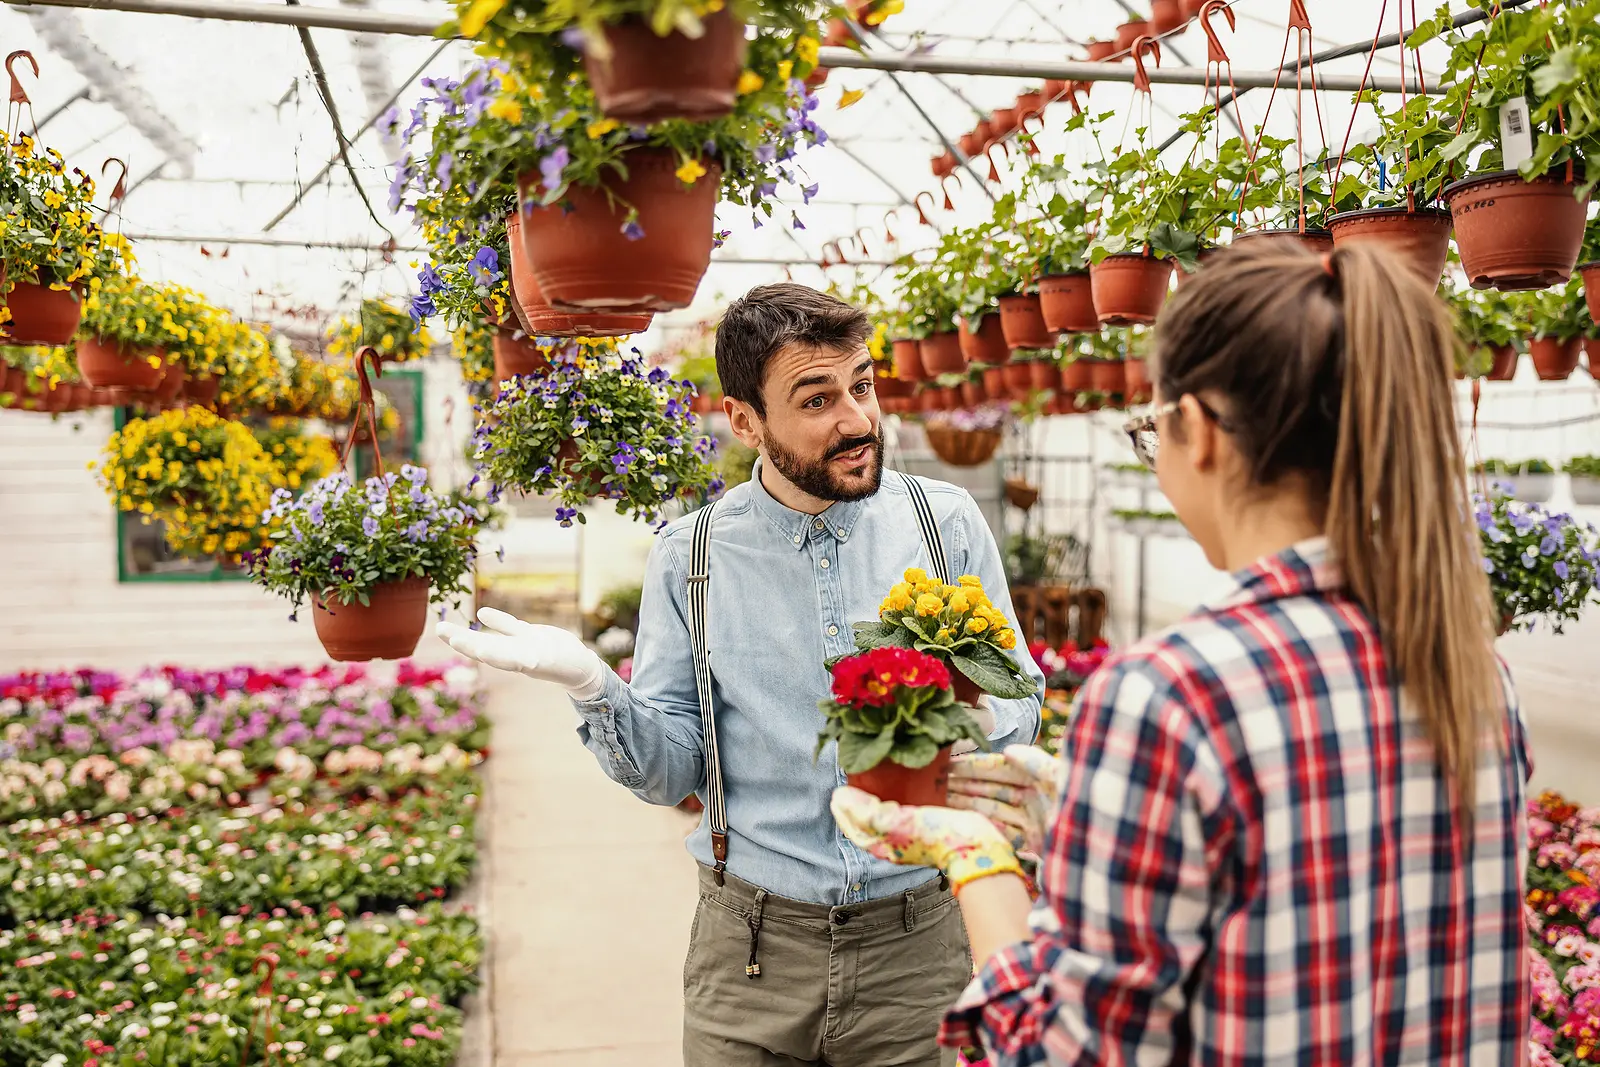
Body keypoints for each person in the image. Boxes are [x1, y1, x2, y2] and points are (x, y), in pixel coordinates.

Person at [831, 243, 1531, 1064]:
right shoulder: (1470, 668)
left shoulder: (1171, 696)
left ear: (1195, 430)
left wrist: (976, 857)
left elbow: (1059, 1054)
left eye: (1149, 427)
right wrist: (1079, 833)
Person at [438, 282, 1045, 1066]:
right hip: (751, 953)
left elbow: (1018, 699)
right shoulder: (691, 557)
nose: (857, 419)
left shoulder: (945, 524)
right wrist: (594, 687)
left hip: (921, 947)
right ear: (745, 420)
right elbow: (674, 770)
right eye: (817, 398)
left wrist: (961, 718)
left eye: (861, 385)